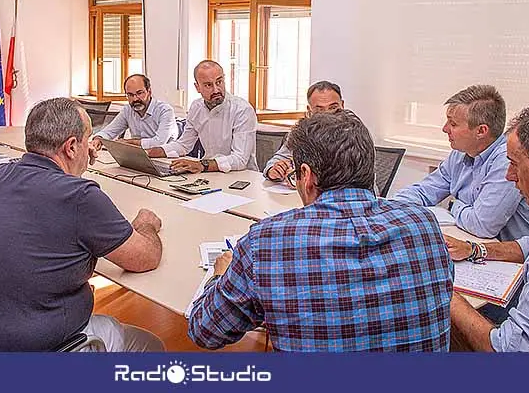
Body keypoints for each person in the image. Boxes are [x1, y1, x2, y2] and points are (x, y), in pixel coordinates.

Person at [188, 110, 454, 351]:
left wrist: (219, 276)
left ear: (306, 175)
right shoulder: (424, 224)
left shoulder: (266, 242)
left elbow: (205, 332)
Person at [0, 98, 165, 352]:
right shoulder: (80, 197)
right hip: (26, 355)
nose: (92, 150)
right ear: (71, 147)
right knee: (151, 345)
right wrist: (145, 223)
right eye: (88, 139)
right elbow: (145, 257)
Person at [447, 104, 529, 352]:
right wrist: (476, 250)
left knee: (447, 325)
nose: (509, 176)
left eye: (514, 164)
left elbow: (514, 352)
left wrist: (444, 289)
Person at [394, 84, 529, 240]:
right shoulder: (460, 152)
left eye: (453, 124)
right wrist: (392, 206)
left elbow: (482, 225)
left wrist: (453, 205)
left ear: (481, 131)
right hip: (474, 244)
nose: (444, 129)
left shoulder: (506, 160)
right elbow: (424, 191)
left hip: (511, 256)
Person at [147, 60, 257, 174]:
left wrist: (202, 165)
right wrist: (150, 152)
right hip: (210, 172)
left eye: (219, 82)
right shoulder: (196, 107)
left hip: (241, 176)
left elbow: (240, 159)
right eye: (208, 85)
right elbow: (184, 145)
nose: (216, 90)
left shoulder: (242, 110)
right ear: (197, 87)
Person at [264, 80, 345, 184]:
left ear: (342, 105)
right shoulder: (301, 133)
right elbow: (279, 159)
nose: (327, 115)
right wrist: (273, 170)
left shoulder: (354, 134)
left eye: (333, 108)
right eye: (319, 110)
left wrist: (302, 179)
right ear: (309, 111)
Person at [91, 74, 178, 149]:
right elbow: (110, 131)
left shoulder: (165, 111)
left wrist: (131, 143)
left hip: (165, 157)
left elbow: (159, 142)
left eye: (139, 93)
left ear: (149, 92)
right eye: (130, 95)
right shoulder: (127, 110)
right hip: (138, 155)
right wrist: (98, 138)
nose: (135, 99)